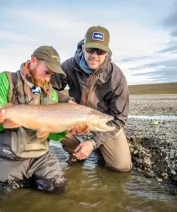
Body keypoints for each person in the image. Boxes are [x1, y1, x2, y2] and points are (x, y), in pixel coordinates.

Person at [0, 45, 77, 193]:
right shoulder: (3, 80)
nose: (48, 79)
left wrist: (64, 130)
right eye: (46, 72)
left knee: (58, 190)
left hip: (41, 158)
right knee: (6, 198)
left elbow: (51, 134)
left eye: (51, 75)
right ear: (33, 61)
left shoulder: (51, 93)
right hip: (7, 158)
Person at [51, 26, 132, 172]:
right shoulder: (69, 66)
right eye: (90, 50)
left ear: (106, 52)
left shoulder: (117, 78)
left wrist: (93, 142)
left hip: (100, 122)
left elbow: (119, 118)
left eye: (100, 51)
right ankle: (75, 152)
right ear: (83, 48)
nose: (94, 55)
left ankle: (96, 147)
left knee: (122, 167)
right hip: (73, 119)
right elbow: (48, 89)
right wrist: (64, 100)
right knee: (52, 122)